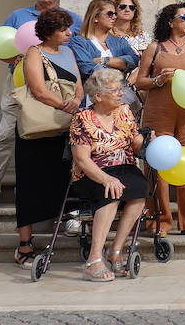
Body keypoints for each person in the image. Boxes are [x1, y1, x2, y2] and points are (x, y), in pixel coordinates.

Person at [0, 0, 81, 209]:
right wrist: (15, 60)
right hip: (20, 84)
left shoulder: (71, 17)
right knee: (5, 135)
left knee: (55, 137)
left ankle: (52, 193)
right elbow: (2, 46)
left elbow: (76, 48)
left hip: (58, 86)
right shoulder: (18, 16)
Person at [13, 8, 84, 268]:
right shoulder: (34, 52)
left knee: (62, 178)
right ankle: (24, 245)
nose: (69, 33)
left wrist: (76, 100)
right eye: (64, 29)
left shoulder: (69, 52)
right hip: (37, 131)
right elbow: (38, 90)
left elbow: (78, 84)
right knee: (30, 183)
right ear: (49, 31)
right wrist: (66, 105)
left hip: (63, 128)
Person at [69, 67, 149, 281]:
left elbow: (136, 144)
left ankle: (115, 251)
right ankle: (94, 259)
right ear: (98, 95)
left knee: (140, 189)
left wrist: (151, 142)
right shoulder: (82, 118)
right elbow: (82, 159)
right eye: (115, 90)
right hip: (93, 173)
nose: (121, 93)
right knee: (111, 191)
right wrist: (106, 178)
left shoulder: (124, 112)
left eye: (120, 88)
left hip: (125, 168)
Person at [133, 2, 185, 236]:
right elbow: (139, 81)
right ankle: (158, 220)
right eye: (184, 16)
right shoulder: (155, 48)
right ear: (170, 22)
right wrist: (158, 81)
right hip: (159, 111)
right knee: (158, 162)